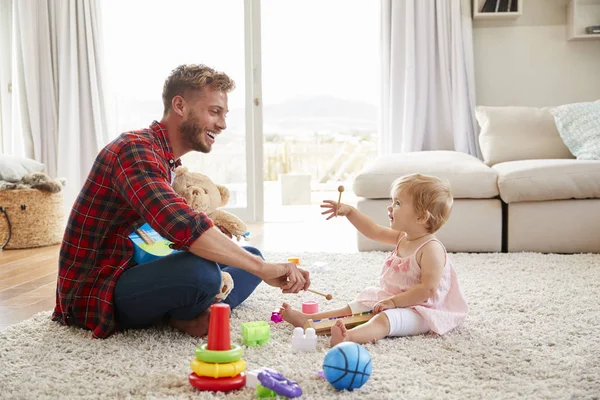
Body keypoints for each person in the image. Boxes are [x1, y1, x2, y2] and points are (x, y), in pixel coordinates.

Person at [53, 64, 310, 339]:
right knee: (203, 273)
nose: (222, 124)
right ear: (180, 106)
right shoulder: (134, 150)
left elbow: (165, 233)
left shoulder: (162, 158)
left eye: (224, 114)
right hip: (95, 290)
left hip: (130, 267)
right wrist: (262, 269)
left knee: (250, 256)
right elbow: (181, 225)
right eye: (214, 112)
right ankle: (190, 313)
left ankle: (197, 315)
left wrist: (254, 263)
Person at [280, 173, 467, 346]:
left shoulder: (431, 249)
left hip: (424, 310)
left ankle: (349, 337)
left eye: (398, 203)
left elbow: (427, 290)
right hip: (393, 299)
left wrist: (393, 303)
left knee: (384, 320)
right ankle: (308, 320)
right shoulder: (402, 236)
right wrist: (350, 212)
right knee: (356, 305)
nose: (390, 207)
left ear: (421, 217)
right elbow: (374, 230)